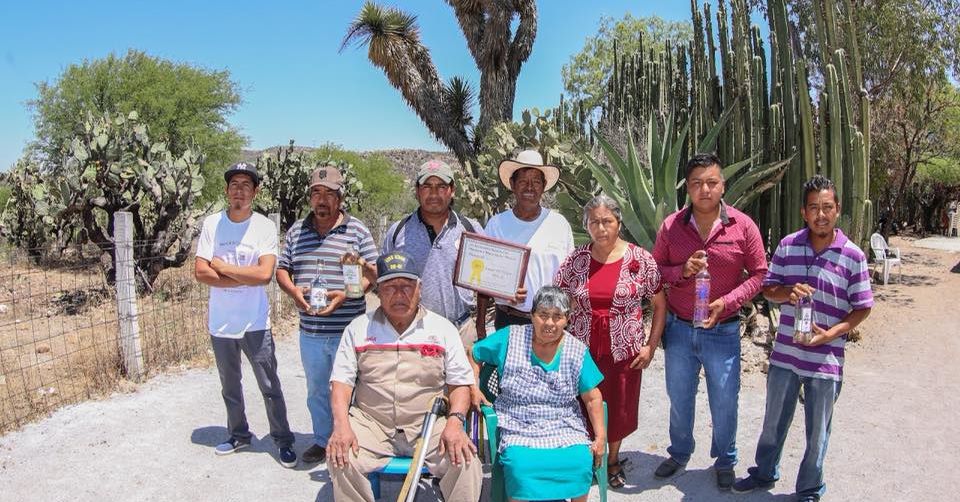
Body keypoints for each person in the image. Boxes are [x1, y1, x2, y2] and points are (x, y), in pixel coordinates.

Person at [733, 175, 873, 501]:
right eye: (814, 208)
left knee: (818, 430)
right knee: (772, 421)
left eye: (827, 207)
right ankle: (765, 471)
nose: (820, 214)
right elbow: (769, 289)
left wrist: (832, 334)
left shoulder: (852, 256)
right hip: (785, 354)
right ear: (803, 212)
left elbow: (863, 307)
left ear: (837, 210)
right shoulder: (788, 245)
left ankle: (809, 488)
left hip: (826, 360)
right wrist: (787, 291)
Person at [651, 153, 767, 490]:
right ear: (687, 188)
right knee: (679, 395)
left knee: (725, 398)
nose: (705, 189)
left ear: (723, 185)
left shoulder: (743, 226)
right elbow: (654, 270)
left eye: (712, 182)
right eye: (697, 183)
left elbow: (760, 274)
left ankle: (726, 459)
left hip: (723, 329)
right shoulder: (671, 226)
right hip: (679, 327)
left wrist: (728, 301)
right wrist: (681, 271)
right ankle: (680, 451)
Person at [326, 251, 482, 502]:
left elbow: (459, 383)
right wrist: (341, 426)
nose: (399, 294)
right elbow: (341, 383)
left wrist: (454, 422)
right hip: (372, 424)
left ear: (419, 288)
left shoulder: (442, 329)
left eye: (407, 286)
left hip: (427, 425)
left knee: (465, 462)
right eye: (390, 287)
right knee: (341, 455)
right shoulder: (357, 329)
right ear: (378, 290)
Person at [554, 194, 666, 489]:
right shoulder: (576, 260)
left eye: (607, 221)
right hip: (582, 350)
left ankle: (612, 459)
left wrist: (650, 346)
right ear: (586, 226)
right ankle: (587, 457)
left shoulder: (640, 260)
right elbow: (557, 299)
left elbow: (660, 304)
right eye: (594, 222)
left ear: (619, 222)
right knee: (581, 405)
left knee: (618, 407)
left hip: (624, 351)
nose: (601, 228)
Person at [193, 162, 296, 468]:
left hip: (255, 321)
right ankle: (239, 434)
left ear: (255, 191)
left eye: (246, 185)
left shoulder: (264, 226)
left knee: (269, 384)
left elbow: (265, 274)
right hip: (221, 322)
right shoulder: (212, 224)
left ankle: (282, 439)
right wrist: (243, 275)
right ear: (227, 190)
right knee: (230, 385)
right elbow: (200, 271)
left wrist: (223, 268)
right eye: (234, 184)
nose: (239, 190)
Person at [275, 164, 378, 465]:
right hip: (312, 331)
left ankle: (357, 438)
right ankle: (323, 440)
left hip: (352, 330)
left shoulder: (357, 230)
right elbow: (282, 269)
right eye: (316, 193)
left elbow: (373, 273)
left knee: (357, 388)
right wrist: (293, 291)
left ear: (340, 197)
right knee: (317, 390)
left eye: (329, 194)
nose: (322, 200)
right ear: (309, 197)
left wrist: (347, 293)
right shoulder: (297, 230)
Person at [470, 286, 606, 502]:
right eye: (543, 315)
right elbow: (474, 354)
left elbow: (593, 397)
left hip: (563, 423)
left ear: (567, 320)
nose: (549, 323)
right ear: (532, 316)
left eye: (557, 317)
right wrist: (473, 387)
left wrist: (600, 437)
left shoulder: (576, 350)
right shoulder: (510, 337)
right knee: (521, 465)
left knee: (580, 459)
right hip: (518, 422)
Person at [381, 159, 482, 343]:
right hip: (414, 332)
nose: (434, 193)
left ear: (452, 190)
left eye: (441, 186)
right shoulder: (398, 232)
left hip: (461, 331)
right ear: (417, 191)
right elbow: (384, 281)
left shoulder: (471, 230)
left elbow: (487, 281)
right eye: (427, 186)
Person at [482, 149, 574, 329]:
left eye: (536, 182)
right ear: (512, 184)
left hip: (551, 324)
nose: (529, 187)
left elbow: (570, 278)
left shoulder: (559, 225)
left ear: (544, 185)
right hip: (509, 321)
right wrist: (503, 291)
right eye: (523, 181)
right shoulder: (496, 225)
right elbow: (483, 277)